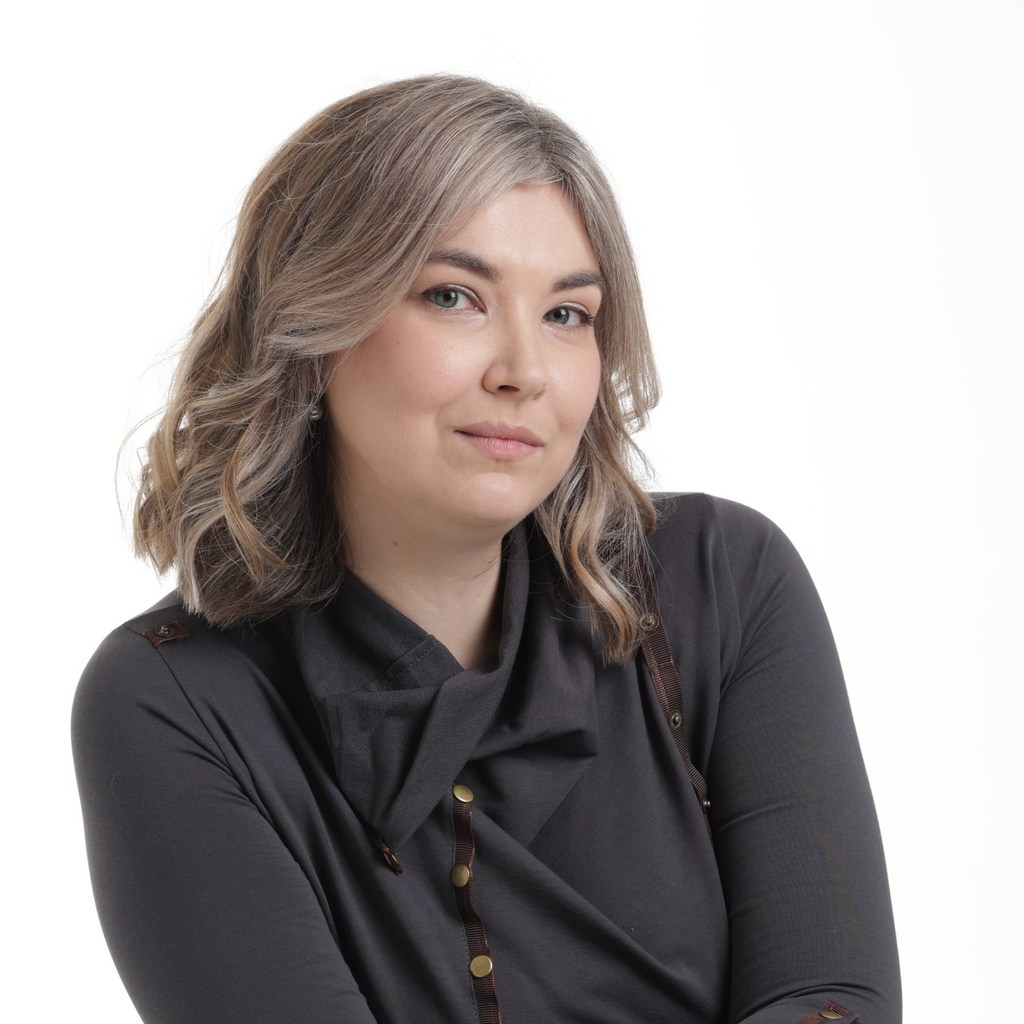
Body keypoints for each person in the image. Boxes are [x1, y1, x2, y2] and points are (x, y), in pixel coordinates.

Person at [72, 75, 901, 1024]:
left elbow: (834, 998)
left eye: (567, 314)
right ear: (315, 326)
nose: (525, 372)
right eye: (454, 296)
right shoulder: (174, 698)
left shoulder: (721, 582)